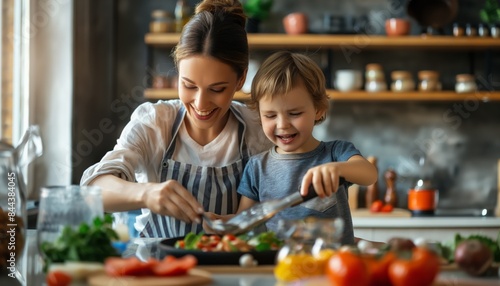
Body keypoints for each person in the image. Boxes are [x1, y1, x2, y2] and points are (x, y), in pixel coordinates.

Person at [80, 0, 272, 238]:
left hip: (231, 269)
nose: (200, 104)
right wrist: (146, 194)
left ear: (241, 79)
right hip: (157, 269)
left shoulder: (258, 128)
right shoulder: (155, 122)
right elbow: (93, 191)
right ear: (178, 71)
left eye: (217, 89)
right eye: (189, 85)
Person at [207, 51, 378, 245]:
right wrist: (224, 222)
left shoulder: (336, 153)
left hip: (333, 265)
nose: (282, 124)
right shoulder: (256, 167)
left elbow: (369, 174)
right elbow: (247, 220)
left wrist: (337, 169)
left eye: (294, 113)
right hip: (281, 265)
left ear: (319, 109)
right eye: (270, 116)